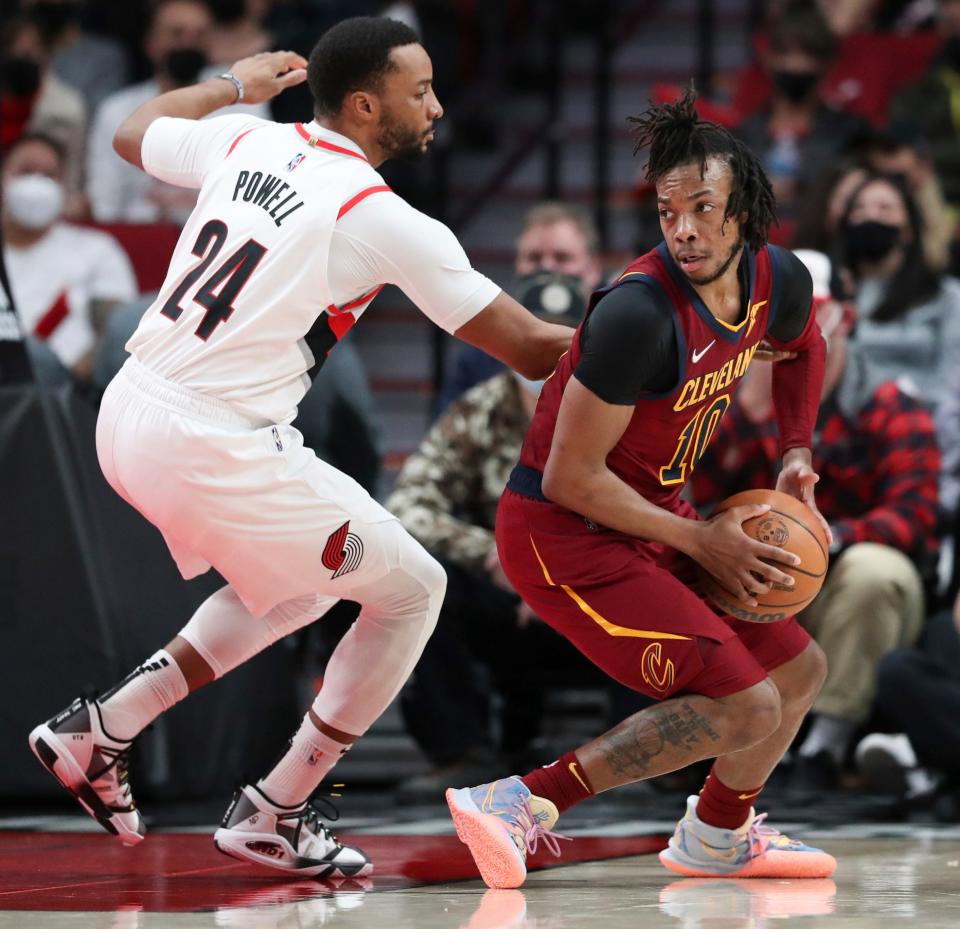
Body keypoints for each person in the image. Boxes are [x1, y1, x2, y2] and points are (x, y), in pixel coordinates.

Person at [27, 16, 572, 878]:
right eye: (418, 91)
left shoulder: (245, 138)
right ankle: (277, 808)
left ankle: (104, 726)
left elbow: (134, 132)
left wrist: (234, 84)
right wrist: (672, 327)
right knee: (413, 590)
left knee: (310, 587)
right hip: (208, 436)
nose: (435, 105)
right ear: (365, 105)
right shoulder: (384, 217)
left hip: (129, 409)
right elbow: (538, 348)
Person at [446, 88, 837, 889]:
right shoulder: (637, 313)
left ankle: (717, 836)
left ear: (745, 211)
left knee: (799, 673)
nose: (683, 228)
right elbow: (570, 476)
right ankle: (520, 798)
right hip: (561, 534)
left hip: (650, 518)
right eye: (667, 211)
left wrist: (796, 452)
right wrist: (700, 540)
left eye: (702, 207)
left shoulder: (776, 278)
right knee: (748, 703)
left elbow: (803, 348)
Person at [690, 249, 940, 789]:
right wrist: (747, 415)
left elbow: (917, 514)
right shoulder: (729, 394)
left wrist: (826, 538)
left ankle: (822, 750)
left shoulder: (888, 401)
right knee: (700, 561)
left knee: (874, 571)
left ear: (842, 319)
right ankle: (728, 747)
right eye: (771, 314)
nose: (782, 330)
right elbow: (696, 501)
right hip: (766, 573)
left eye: (807, 309)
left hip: (861, 584)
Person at [388, 274, 609, 793]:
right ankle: (461, 753)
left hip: (600, 595)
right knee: (417, 577)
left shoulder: (624, 411)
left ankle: (649, 764)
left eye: (564, 343)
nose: (547, 364)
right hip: (503, 601)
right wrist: (494, 554)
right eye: (535, 342)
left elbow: (660, 509)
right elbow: (407, 503)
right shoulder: (478, 410)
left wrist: (557, 574)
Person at [86, 0, 267, 223]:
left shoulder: (243, 101)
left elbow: (253, 191)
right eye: (176, 33)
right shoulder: (117, 109)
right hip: (138, 239)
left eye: (199, 35)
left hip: (220, 239)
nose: (188, 43)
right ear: (150, 43)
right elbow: (105, 203)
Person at [437, 201, 604, 411]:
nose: (547, 267)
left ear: (594, 269)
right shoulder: (483, 350)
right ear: (518, 265)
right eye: (534, 258)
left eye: (562, 258)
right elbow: (444, 435)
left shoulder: (615, 340)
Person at [2, 132, 137, 382]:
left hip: (63, 385)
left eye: (49, 175)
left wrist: (83, 375)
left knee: (32, 354)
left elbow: (116, 330)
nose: (36, 183)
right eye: (25, 171)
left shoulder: (97, 249)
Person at [836, 173, 960, 414]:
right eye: (859, 208)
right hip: (846, 434)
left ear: (909, 230)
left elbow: (951, 383)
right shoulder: (832, 297)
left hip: (923, 428)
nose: (871, 215)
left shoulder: (947, 297)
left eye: (885, 208)